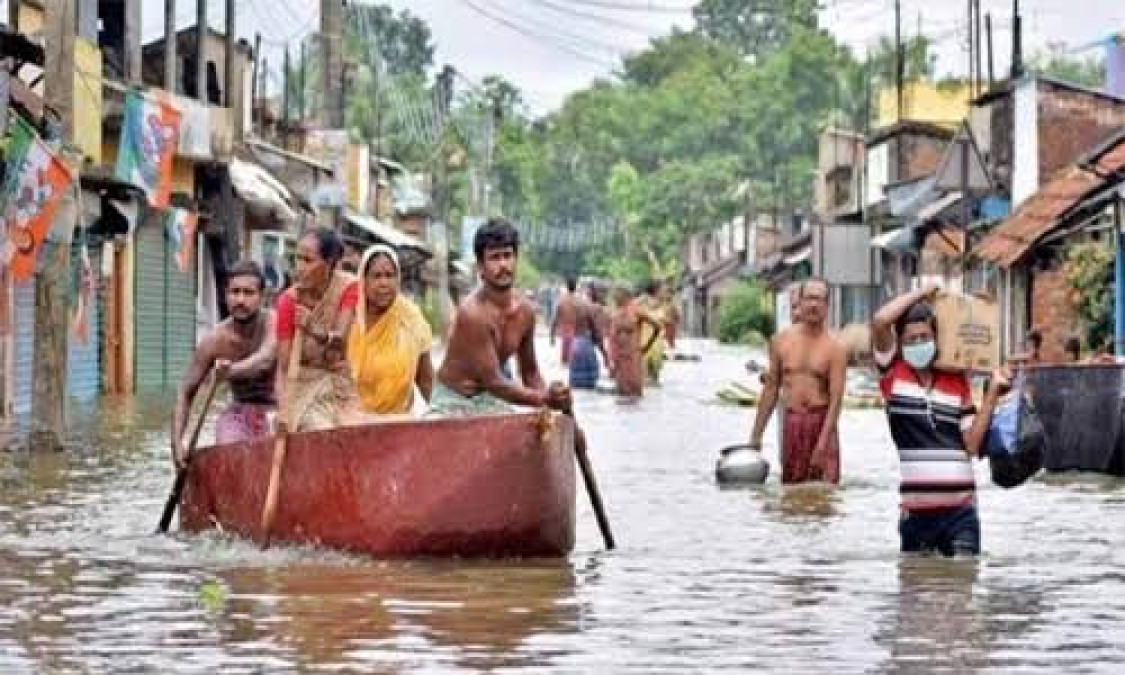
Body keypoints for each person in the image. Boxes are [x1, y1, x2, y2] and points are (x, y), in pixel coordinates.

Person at [871, 284, 1009, 557]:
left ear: (937, 338)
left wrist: (992, 395)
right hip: (917, 517)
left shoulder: (957, 381)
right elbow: (880, 321)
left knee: (961, 587)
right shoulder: (893, 375)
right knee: (916, 593)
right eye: (910, 340)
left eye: (924, 337)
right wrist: (922, 292)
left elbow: (970, 445)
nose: (918, 344)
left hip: (962, 514)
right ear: (899, 344)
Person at [431, 217, 571, 416]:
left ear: (516, 259)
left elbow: (530, 373)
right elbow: (495, 382)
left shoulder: (525, 311)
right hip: (452, 399)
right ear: (480, 266)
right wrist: (544, 399)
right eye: (495, 258)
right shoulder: (473, 313)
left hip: (489, 398)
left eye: (508, 255)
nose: (503, 265)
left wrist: (557, 407)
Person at [171, 261, 276, 469]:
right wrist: (176, 443)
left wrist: (231, 371)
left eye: (248, 293)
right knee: (228, 455)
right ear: (225, 294)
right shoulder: (214, 340)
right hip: (241, 413)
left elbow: (265, 360)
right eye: (235, 292)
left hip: (280, 411)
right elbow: (185, 392)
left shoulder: (274, 322)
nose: (240, 300)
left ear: (262, 297)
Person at [748, 278, 846, 484]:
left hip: (822, 424)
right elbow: (771, 390)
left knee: (824, 495)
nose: (813, 305)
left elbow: (836, 401)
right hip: (793, 422)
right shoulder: (780, 341)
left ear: (827, 306)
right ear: (799, 303)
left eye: (819, 300)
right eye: (809, 298)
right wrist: (756, 437)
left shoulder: (835, 348)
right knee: (792, 495)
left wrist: (822, 444)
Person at [274, 227, 362, 432]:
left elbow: (339, 341)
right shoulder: (288, 301)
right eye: (298, 259)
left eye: (308, 260)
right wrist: (283, 409)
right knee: (315, 429)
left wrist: (314, 328)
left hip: (338, 383)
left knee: (357, 435)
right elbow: (283, 367)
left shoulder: (348, 288)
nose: (300, 267)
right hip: (302, 386)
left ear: (330, 263)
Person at [346, 244, 434, 416]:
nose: (384, 283)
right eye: (376, 276)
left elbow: (425, 378)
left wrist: (430, 417)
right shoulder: (348, 317)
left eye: (390, 275)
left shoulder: (411, 319)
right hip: (350, 421)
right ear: (363, 280)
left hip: (397, 421)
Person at [608, 284, 662, 398]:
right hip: (620, 358)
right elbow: (612, 338)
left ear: (625, 295)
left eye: (616, 295)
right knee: (622, 394)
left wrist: (647, 346)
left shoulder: (637, 310)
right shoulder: (615, 313)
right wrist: (611, 360)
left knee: (635, 392)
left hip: (634, 357)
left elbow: (657, 326)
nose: (614, 298)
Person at [569, 283, 610, 390]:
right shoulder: (596, 308)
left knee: (576, 385)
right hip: (586, 348)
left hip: (575, 346)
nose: (604, 296)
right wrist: (605, 355)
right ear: (595, 293)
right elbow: (597, 333)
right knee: (590, 387)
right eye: (602, 293)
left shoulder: (580, 305)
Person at [638, 280, 667, 384]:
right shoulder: (641, 303)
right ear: (656, 291)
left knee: (654, 380)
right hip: (644, 344)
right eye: (664, 290)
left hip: (657, 344)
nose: (666, 292)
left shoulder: (662, 305)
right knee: (645, 379)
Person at [551, 276, 579, 365]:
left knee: (565, 360)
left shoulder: (561, 301)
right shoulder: (579, 301)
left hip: (565, 331)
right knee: (574, 359)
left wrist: (552, 335)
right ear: (576, 287)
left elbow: (555, 318)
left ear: (567, 287)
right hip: (577, 332)